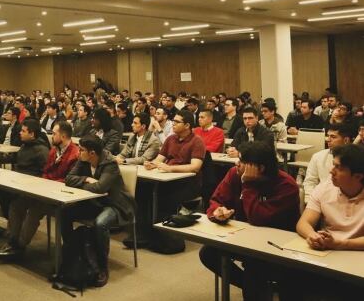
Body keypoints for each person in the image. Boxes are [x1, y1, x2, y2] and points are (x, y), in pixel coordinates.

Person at [199, 141, 300, 300]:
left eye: (242, 161)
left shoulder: (286, 186)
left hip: (275, 246)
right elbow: (216, 199)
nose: (236, 163)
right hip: (243, 238)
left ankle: (258, 287)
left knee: (255, 269)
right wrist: (218, 211)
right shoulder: (234, 173)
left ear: (260, 168)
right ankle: (259, 287)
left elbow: (258, 217)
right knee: (209, 253)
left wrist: (248, 184)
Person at [0, 121, 79, 261]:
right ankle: (12, 242)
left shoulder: (74, 155)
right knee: (17, 204)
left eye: (55, 133)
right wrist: (44, 183)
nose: (52, 136)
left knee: (34, 211)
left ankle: (19, 247)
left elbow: (68, 180)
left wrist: (48, 183)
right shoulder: (54, 151)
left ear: (63, 136)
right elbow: (45, 171)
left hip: (60, 195)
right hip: (45, 190)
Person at [289, 144, 364, 299]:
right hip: (327, 254)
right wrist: (313, 236)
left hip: (357, 258)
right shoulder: (325, 187)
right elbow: (303, 223)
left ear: (358, 176)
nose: (331, 171)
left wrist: (341, 244)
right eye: (333, 165)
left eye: (339, 168)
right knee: (290, 278)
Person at [62, 137, 134, 287]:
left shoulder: (110, 164)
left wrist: (81, 184)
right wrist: (86, 179)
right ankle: (71, 253)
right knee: (64, 212)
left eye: (81, 150)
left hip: (115, 205)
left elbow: (101, 188)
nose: (78, 152)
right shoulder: (84, 159)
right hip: (95, 203)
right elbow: (68, 179)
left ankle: (102, 267)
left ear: (92, 153)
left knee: (100, 223)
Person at [140, 111, 205, 244]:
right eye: (173, 121)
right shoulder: (171, 139)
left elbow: (195, 167)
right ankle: (146, 233)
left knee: (164, 197)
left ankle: (164, 237)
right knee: (143, 192)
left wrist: (170, 168)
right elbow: (159, 159)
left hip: (188, 183)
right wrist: (151, 164)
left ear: (187, 125)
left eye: (176, 122)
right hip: (167, 180)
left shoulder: (197, 141)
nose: (173, 124)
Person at [0, 118, 48, 237]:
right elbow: (15, 160)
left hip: (28, 188)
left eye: (24, 131)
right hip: (15, 182)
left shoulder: (42, 151)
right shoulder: (25, 145)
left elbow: (44, 174)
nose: (20, 133)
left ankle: (15, 226)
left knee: (9, 198)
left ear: (32, 134)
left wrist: (24, 180)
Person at [302, 123, 354, 203]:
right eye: (328, 136)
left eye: (333, 137)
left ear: (346, 140)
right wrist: (312, 200)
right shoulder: (318, 156)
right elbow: (310, 181)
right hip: (321, 199)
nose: (328, 139)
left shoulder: (356, 159)